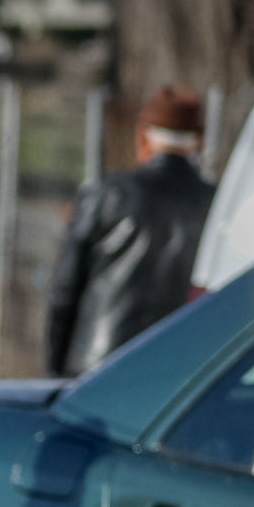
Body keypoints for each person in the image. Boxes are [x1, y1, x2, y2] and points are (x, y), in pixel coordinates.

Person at [43, 88, 214, 377]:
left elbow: (64, 291)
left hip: (98, 367)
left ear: (143, 137)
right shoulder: (217, 204)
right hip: (178, 374)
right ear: (199, 141)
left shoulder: (105, 195)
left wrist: (56, 369)